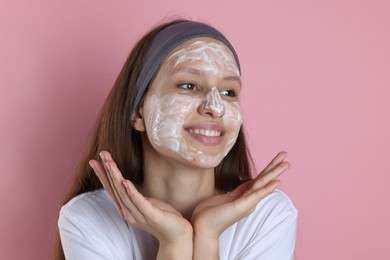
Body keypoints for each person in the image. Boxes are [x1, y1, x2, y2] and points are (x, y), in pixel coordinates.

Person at [55, 19, 297, 260]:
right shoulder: (88, 217)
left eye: (228, 92)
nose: (216, 107)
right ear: (138, 112)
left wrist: (207, 234)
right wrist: (175, 242)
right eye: (189, 85)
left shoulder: (268, 214)